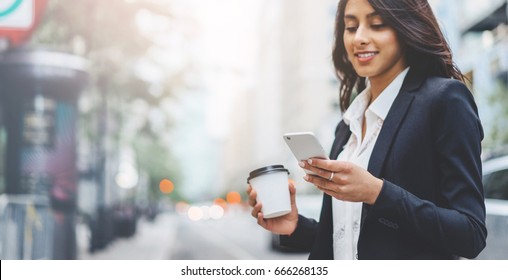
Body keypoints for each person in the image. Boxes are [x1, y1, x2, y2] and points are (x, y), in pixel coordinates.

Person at [247, 0, 487, 260]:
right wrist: (294, 226)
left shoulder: (444, 100)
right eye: (350, 27)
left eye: (377, 24)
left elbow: (470, 234)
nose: (359, 38)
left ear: (407, 27)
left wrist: (377, 193)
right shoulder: (347, 125)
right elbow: (350, 241)